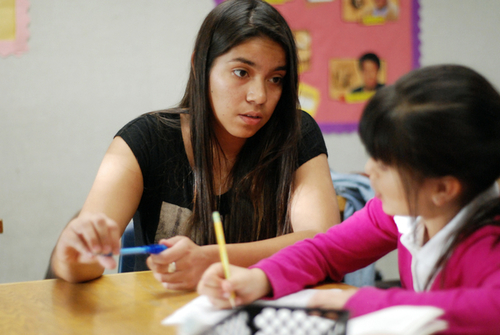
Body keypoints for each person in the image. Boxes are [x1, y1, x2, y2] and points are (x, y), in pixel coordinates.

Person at [48, 0, 339, 290]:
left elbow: (323, 244)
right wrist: (70, 257)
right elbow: (82, 262)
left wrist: (212, 259)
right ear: (200, 65)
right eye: (241, 72)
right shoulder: (145, 141)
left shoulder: (296, 133)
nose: (259, 96)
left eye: (276, 79)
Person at [198, 64, 500, 334]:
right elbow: (326, 250)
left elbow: (490, 310)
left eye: (384, 164)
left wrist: (360, 301)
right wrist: (262, 277)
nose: (369, 171)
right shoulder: (402, 212)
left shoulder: (489, 240)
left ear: (443, 189)